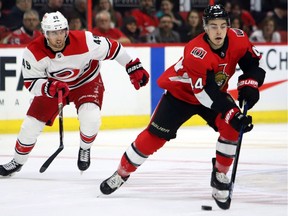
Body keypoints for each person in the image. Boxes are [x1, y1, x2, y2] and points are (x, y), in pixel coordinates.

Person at [99, 4, 266, 210]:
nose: (219, 31)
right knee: (153, 138)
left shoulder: (239, 38)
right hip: (182, 95)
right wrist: (232, 112)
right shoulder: (196, 51)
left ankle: (220, 174)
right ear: (204, 27)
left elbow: (252, 65)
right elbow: (205, 93)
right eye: (213, 26)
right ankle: (121, 173)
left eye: (223, 26)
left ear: (229, 26)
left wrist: (250, 85)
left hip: (213, 94)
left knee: (232, 128)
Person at [0, 11, 149, 176]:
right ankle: (17, 161)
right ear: (44, 33)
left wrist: (132, 66)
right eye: (52, 33)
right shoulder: (33, 52)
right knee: (30, 125)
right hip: (55, 87)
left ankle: (85, 148)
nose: (58, 37)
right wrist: (49, 87)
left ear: (67, 30)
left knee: (91, 118)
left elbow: (114, 49)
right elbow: (31, 82)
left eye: (61, 31)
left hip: (87, 81)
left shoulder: (85, 40)